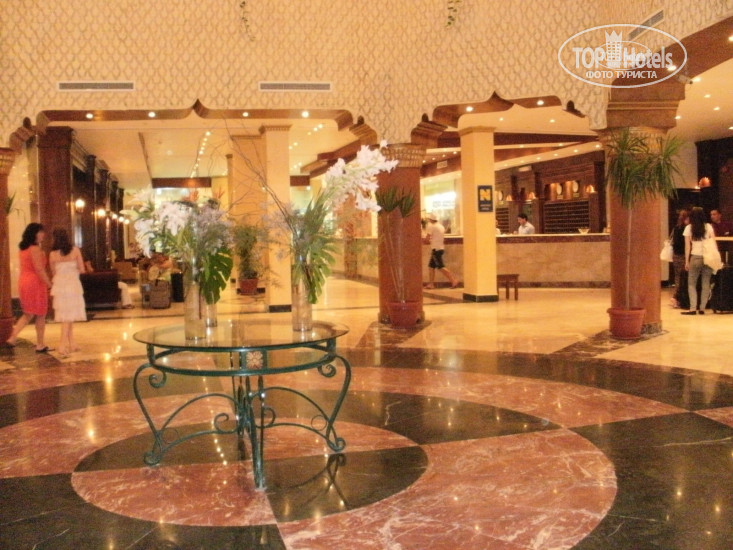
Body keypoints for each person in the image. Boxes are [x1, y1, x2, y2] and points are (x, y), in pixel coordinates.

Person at [5, 223, 53, 351]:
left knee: (28, 313)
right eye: (40, 232)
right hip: (35, 283)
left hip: (24, 281)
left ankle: (12, 337)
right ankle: (40, 344)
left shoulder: (23, 249)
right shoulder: (35, 249)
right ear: (34, 234)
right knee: (41, 314)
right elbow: (39, 269)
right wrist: (49, 284)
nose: (43, 234)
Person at [49, 228, 87, 356]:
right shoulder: (75, 250)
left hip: (60, 286)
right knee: (68, 316)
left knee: (66, 314)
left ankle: (72, 343)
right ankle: (62, 345)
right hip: (72, 285)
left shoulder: (52, 254)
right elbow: (82, 269)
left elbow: (53, 272)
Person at [682, 206, 715, 315]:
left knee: (692, 283)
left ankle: (692, 308)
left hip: (695, 257)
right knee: (706, 283)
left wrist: (687, 261)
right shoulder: (708, 227)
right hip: (708, 257)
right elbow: (713, 243)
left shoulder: (689, 228)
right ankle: (702, 308)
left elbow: (687, 247)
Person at [424, 213, 459, 289]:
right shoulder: (441, 226)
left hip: (435, 249)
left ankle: (453, 280)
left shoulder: (432, 226)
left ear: (431, 219)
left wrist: (428, 241)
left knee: (440, 267)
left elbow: (427, 239)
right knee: (431, 267)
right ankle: (431, 284)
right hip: (440, 248)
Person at [670, 209, 689, 308]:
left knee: (677, 277)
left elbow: (674, 242)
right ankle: (677, 298)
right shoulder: (687, 229)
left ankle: (676, 298)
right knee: (683, 278)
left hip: (676, 255)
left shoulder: (676, 228)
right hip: (683, 255)